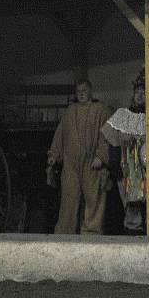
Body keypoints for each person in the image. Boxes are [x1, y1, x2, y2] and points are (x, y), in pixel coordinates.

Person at [46, 80, 112, 234]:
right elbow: (60, 135)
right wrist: (54, 155)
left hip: (92, 164)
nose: (81, 93)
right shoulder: (70, 111)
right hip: (71, 165)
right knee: (68, 200)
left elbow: (107, 137)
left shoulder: (101, 110)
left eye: (84, 90)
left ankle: (92, 233)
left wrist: (101, 156)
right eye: (78, 91)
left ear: (91, 91)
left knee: (93, 200)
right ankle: (65, 234)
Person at [103, 70, 146, 234]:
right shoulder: (122, 116)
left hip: (146, 171)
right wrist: (115, 169)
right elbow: (113, 145)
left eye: (144, 92)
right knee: (131, 209)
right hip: (127, 172)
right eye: (137, 92)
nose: (140, 95)